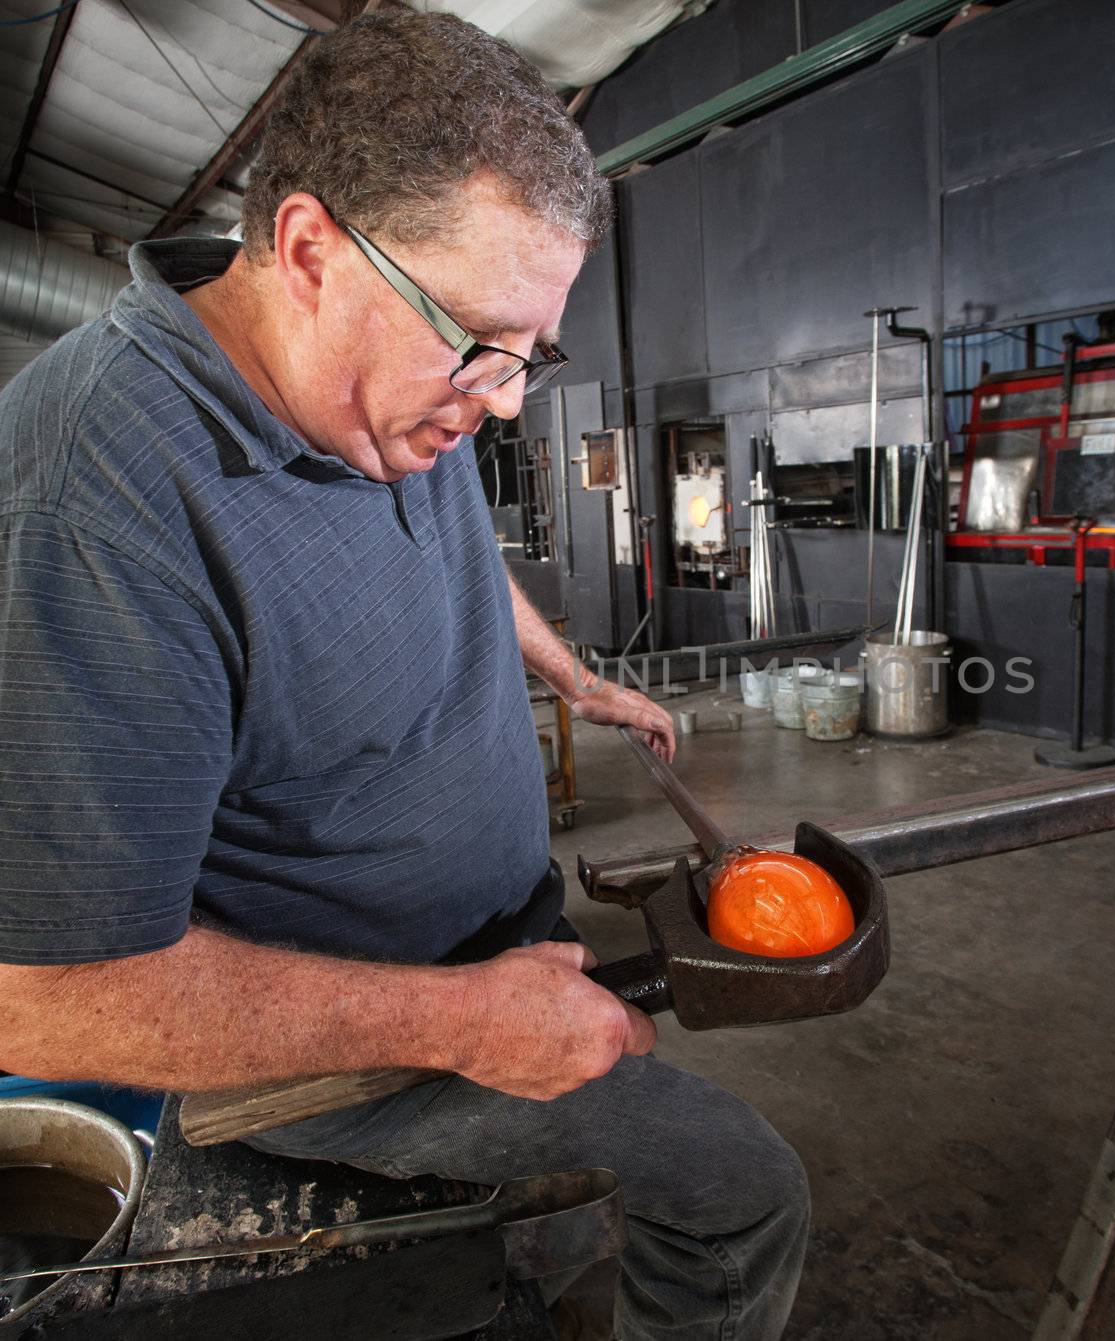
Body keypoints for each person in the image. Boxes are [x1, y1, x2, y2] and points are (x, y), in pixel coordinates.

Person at [0, 12, 808, 1338]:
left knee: (537, 1252)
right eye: (478, 343)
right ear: (310, 246)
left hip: (503, 943)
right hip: (360, 1053)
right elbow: (42, 987)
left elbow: (443, 560)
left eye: (530, 356)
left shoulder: (379, 406)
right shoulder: (104, 502)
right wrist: (458, 1021)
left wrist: (573, 674)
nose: (500, 401)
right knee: (743, 1191)